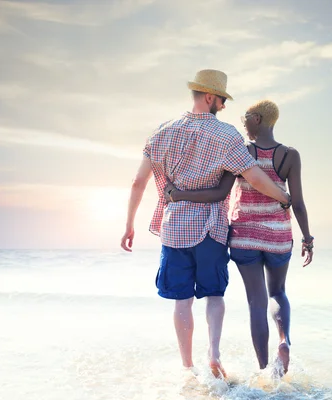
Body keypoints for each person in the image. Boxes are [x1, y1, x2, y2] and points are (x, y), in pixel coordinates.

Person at [120, 70, 292, 379]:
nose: (224, 107)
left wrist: (129, 224)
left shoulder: (162, 132)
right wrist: (282, 195)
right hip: (211, 229)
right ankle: (213, 353)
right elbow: (253, 176)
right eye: (223, 100)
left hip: (174, 231)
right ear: (210, 97)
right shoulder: (227, 135)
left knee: (182, 301)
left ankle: (188, 367)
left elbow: (138, 182)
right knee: (214, 295)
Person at [163, 99, 313, 376]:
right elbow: (299, 203)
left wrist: (179, 194)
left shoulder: (241, 152)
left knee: (256, 301)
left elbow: (219, 193)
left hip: (244, 237)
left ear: (257, 118)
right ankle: (284, 341)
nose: (242, 122)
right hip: (279, 236)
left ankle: (264, 369)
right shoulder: (290, 155)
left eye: (246, 117)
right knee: (277, 292)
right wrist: (307, 238)